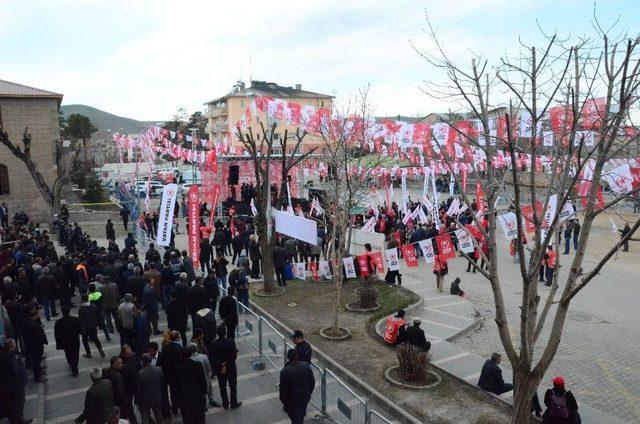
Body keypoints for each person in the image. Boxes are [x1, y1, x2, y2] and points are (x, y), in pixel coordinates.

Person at [208, 325, 242, 410]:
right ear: (225, 332)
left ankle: (225, 403)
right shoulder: (230, 342)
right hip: (231, 367)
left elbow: (212, 358)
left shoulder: (213, 344)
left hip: (220, 369)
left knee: (222, 387)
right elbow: (234, 356)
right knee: (233, 386)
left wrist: (221, 364)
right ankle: (233, 402)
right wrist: (226, 363)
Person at [0, 339, 32, 424]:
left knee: (10, 404)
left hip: (6, 386)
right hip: (16, 386)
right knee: (19, 403)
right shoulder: (13, 357)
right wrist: (23, 381)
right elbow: (17, 372)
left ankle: (12, 419)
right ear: (12, 346)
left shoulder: (3, 356)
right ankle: (19, 420)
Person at [279, 349, 315, 424]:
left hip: (292, 400)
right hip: (304, 397)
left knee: (296, 419)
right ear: (297, 356)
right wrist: (309, 392)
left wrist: (285, 402)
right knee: (300, 415)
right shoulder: (305, 366)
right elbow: (312, 382)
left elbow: (283, 390)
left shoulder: (285, 371)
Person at [176, 344, 208, 424]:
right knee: (200, 417)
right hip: (198, 396)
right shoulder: (197, 365)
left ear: (181, 355)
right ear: (191, 354)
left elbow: (177, 385)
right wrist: (204, 393)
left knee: (187, 418)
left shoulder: (178, 368)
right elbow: (202, 380)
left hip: (185, 398)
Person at [189, 342, 221, 409]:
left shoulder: (189, 360)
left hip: (196, 380)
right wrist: (209, 375)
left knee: (199, 393)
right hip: (206, 377)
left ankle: (202, 405)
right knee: (209, 390)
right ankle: (211, 400)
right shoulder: (204, 357)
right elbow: (209, 368)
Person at [158, 331, 184, 416]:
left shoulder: (165, 348)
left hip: (169, 373)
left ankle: (174, 408)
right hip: (178, 374)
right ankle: (180, 405)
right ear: (177, 338)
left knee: (172, 391)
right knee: (179, 390)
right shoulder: (179, 348)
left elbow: (164, 360)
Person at [137, 353, 165, 424]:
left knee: (145, 418)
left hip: (145, 399)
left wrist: (137, 401)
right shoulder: (159, 369)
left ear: (143, 361)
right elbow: (162, 385)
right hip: (156, 397)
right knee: (159, 417)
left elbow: (139, 389)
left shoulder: (140, 373)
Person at [54, 305, 81, 377]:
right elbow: (80, 330)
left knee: (68, 353)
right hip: (74, 340)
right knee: (75, 354)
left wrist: (58, 343)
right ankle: (74, 367)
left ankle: (71, 363)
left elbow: (57, 334)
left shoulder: (58, 322)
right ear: (69, 311)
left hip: (65, 342)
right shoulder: (75, 320)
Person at [22, 310, 48, 382]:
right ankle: (38, 376)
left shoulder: (25, 323)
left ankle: (38, 372)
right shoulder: (34, 326)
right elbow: (39, 337)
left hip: (30, 344)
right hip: (36, 346)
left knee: (35, 360)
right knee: (36, 361)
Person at [79, 294, 106, 359]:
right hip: (93, 326)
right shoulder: (93, 306)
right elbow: (98, 314)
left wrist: (80, 329)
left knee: (84, 340)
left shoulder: (81, 309)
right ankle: (100, 349)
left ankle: (88, 353)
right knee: (95, 339)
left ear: (82, 300)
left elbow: (81, 320)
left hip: (86, 328)